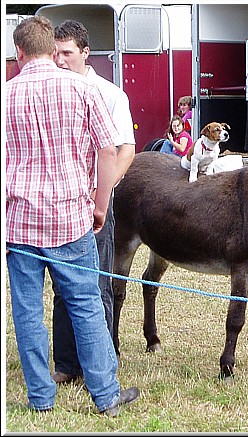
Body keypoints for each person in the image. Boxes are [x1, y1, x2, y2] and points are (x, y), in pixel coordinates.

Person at [6, 15, 139, 415]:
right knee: (85, 304)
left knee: (27, 312)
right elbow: (109, 150)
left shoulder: (5, 94)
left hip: (19, 223)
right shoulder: (82, 89)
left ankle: (40, 398)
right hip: (69, 218)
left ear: (19, 52)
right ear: (52, 49)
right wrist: (100, 205)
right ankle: (105, 395)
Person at [51, 19, 136, 385]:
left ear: (86, 53)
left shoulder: (111, 94)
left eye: (67, 53)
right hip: (58, 204)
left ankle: (97, 366)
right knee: (61, 287)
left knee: (97, 285)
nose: (59, 60)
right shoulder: (51, 89)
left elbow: (125, 149)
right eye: (55, 52)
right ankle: (66, 365)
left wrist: (101, 193)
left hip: (94, 206)